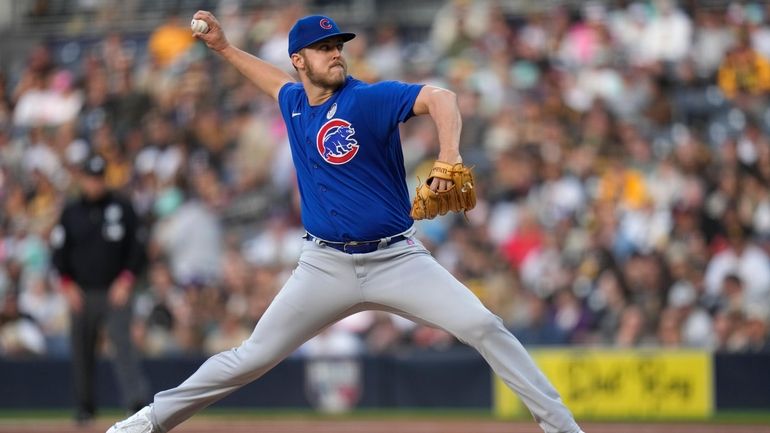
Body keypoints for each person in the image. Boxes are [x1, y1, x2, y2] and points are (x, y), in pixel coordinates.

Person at [107, 11, 584, 433]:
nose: (336, 54)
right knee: (250, 356)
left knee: (484, 324)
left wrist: (449, 154)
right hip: (324, 266)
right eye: (323, 48)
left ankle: (563, 429)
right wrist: (225, 48)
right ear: (300, 60)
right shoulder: (294, 104)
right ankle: (151, 420)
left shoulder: (367, 100)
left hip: (397, 258)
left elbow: (442, 98)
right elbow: (272, 81)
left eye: (338, 46)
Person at [51, 154, 150, 424]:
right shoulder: (71, 212)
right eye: (90, 178)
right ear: (82, 179)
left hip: (115, 290)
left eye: (98, 178)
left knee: (123, 347)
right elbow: (59, 253)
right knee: (82, 350)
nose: (94, 183)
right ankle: (85, 407)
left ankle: (135, 404)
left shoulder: (122, 206)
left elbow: (138, 248)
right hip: (81, 293)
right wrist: (67, 285)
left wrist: (127, 279)